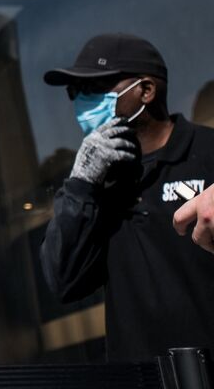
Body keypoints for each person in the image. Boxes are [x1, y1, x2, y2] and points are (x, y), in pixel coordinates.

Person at [40, 33, 214, 361]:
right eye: (75, 92)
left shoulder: (206, 153)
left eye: (95, 88)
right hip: (140, 377)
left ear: (145, 91)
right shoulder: (95, 185)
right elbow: (63, 282)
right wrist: (81, 183)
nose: (82, 101)